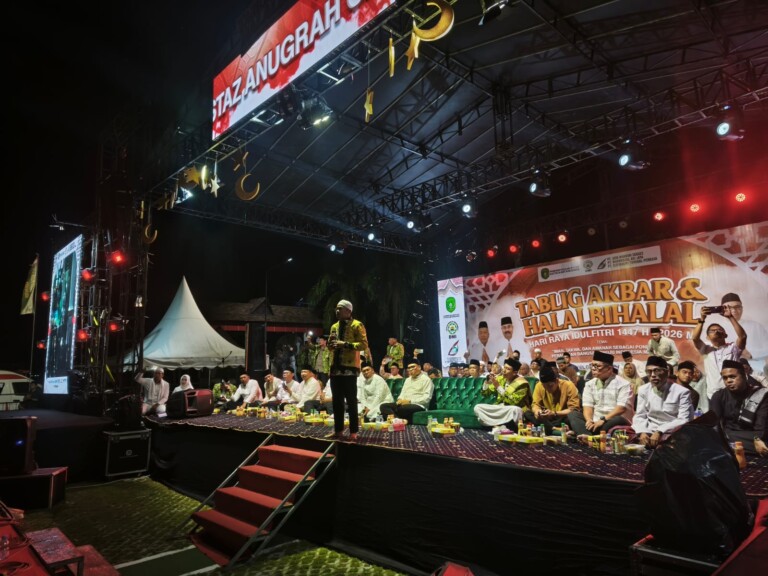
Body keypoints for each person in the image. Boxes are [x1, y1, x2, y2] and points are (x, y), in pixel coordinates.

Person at [327, 299, 368, 441]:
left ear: (348, 311)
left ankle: (354, 432)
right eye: (336, 308)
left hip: (350, 368)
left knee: (351, 400)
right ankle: (338, 430)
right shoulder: (334, 326)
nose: (337, 311)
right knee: (336, 401)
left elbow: (363, 345)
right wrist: (331, 345)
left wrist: (345, 344)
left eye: (340, 308)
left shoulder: (357, 325)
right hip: (335, 368)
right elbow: (330, 347)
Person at [632, 357, 694, 448]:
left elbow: (683, 419)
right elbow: (640, 415)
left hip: (671, 431)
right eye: (649, 371)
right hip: (649, 430)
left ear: (667, 372)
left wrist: (660, 431)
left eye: (657, 371)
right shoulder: (643, 390)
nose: (652, 375)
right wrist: (642, 431)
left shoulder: (682, 392)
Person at [710, 359, 767, 456]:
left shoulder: (760, 395)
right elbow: (713, 425)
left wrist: (726, 437)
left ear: (744, 376)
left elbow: (761, 432)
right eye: (725, 378)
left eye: (732, 376)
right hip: (728, 436)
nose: (728, 381)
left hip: (753, 437)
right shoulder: (718, 396)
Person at [568, 351, 634, 436]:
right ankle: (589, 437)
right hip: (595, 421)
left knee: (618, 419)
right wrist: (589, 420)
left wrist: (603, 420)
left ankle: (587, 434)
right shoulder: (589, 384)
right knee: (573, 414)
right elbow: (587, 406)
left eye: (597, 366)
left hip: (612, 420)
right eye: (592, 365)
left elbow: (621, 408)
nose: (593, 369)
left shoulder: (623, 384)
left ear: (609, 369)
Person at [691, 305, 746, 400]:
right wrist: (702, 319)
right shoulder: (705, 349)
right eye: (712, 331)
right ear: (707, 337)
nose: (716, 331)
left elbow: (742, 337)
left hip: (734, 393)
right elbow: (695, 338)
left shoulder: (733, 348)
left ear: (725, 335)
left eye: (719, 330)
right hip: (713, 394)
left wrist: (730, 317)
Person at [473, 358, 532, 428]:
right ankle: (500, 425)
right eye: (504, 367)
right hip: (501, 408)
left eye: (508, 369)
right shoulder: (501, 379)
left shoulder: (522, 383)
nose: (504, 370)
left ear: (515, 372)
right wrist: (487, 382)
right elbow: (485, 394)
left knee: (516, 410)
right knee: (478, 407)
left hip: (512, 409)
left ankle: (494, 424)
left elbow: (513, 402)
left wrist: (498, 387)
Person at [524, 363, 580, 434]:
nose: (547, 389)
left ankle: (548, 427)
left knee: (572, 417)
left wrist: (554, 413)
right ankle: (554, 428)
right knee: (528, 413)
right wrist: (538, 412)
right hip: (547, 419)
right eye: (545, 386)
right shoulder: (539, 385)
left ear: (556, 381)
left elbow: (573, 409)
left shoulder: (568, 385)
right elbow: (535, 404)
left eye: (550, 386)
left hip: (561, 417)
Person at [720, 292, 768, 370]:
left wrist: (751, 353)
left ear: (742, 308)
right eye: (729, 307)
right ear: (722, 309)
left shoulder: (755, 326)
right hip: (727, 369)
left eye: (737, 307)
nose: (734, 310)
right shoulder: (717, 328)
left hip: (755, 367)